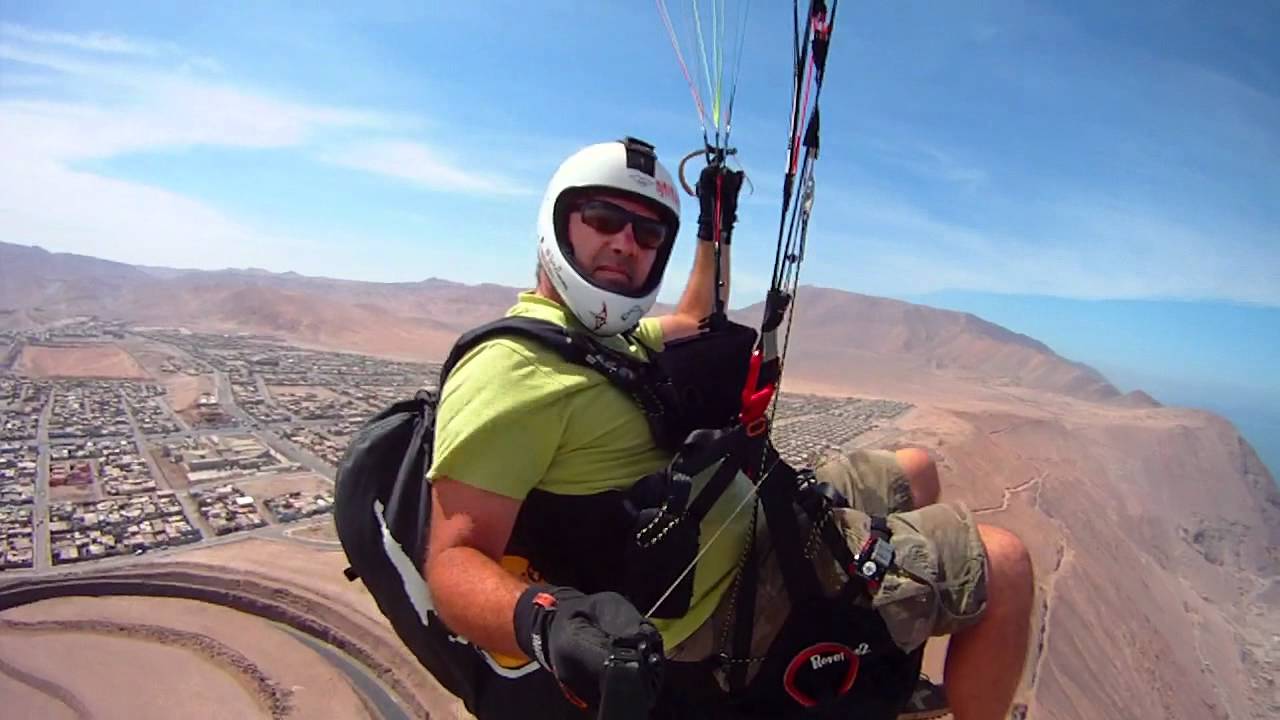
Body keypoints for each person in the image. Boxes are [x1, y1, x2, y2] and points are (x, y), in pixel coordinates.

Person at [423, 137, 1034, 719]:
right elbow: (452, 562)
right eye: (603, 218)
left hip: (744, 512)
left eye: (648, 232)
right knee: (1005, 566)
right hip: (716, 597)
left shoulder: (601, 338)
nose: (625, 243)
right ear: (559, 224)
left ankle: (888, 655)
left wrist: (716, 224)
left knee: (917, 469)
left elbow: (695, 316)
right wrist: (551, 622)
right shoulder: (513, 369)